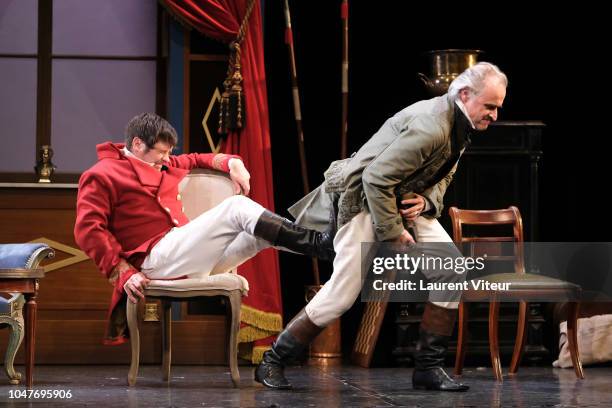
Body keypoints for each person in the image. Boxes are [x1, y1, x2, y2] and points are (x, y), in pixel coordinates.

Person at [255, 62, 508, 392]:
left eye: (497, 108)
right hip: (363, 199)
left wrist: (427, 200)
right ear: (464, 94)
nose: (494, 116)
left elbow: (444, 172)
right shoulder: (431, 126)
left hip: (402, 200)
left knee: (450, 269)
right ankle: (273, 360)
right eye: (490, 106)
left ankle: (428, 369)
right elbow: (375, 179)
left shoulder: (460, 124)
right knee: (342, 294)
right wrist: (391, 231)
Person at [74, 113, 334, 345]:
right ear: (138, 144)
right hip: (156, 259)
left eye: (169, 152)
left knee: (257, 236)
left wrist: (233, 163)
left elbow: (197, 158)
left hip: (186, 256)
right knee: (235, 208)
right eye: (161, 153)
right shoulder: (102, 174)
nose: (167, 159)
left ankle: (324, 246)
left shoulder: (160, 162)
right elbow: (88, 229)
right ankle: (319, 244)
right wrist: (122, 271)